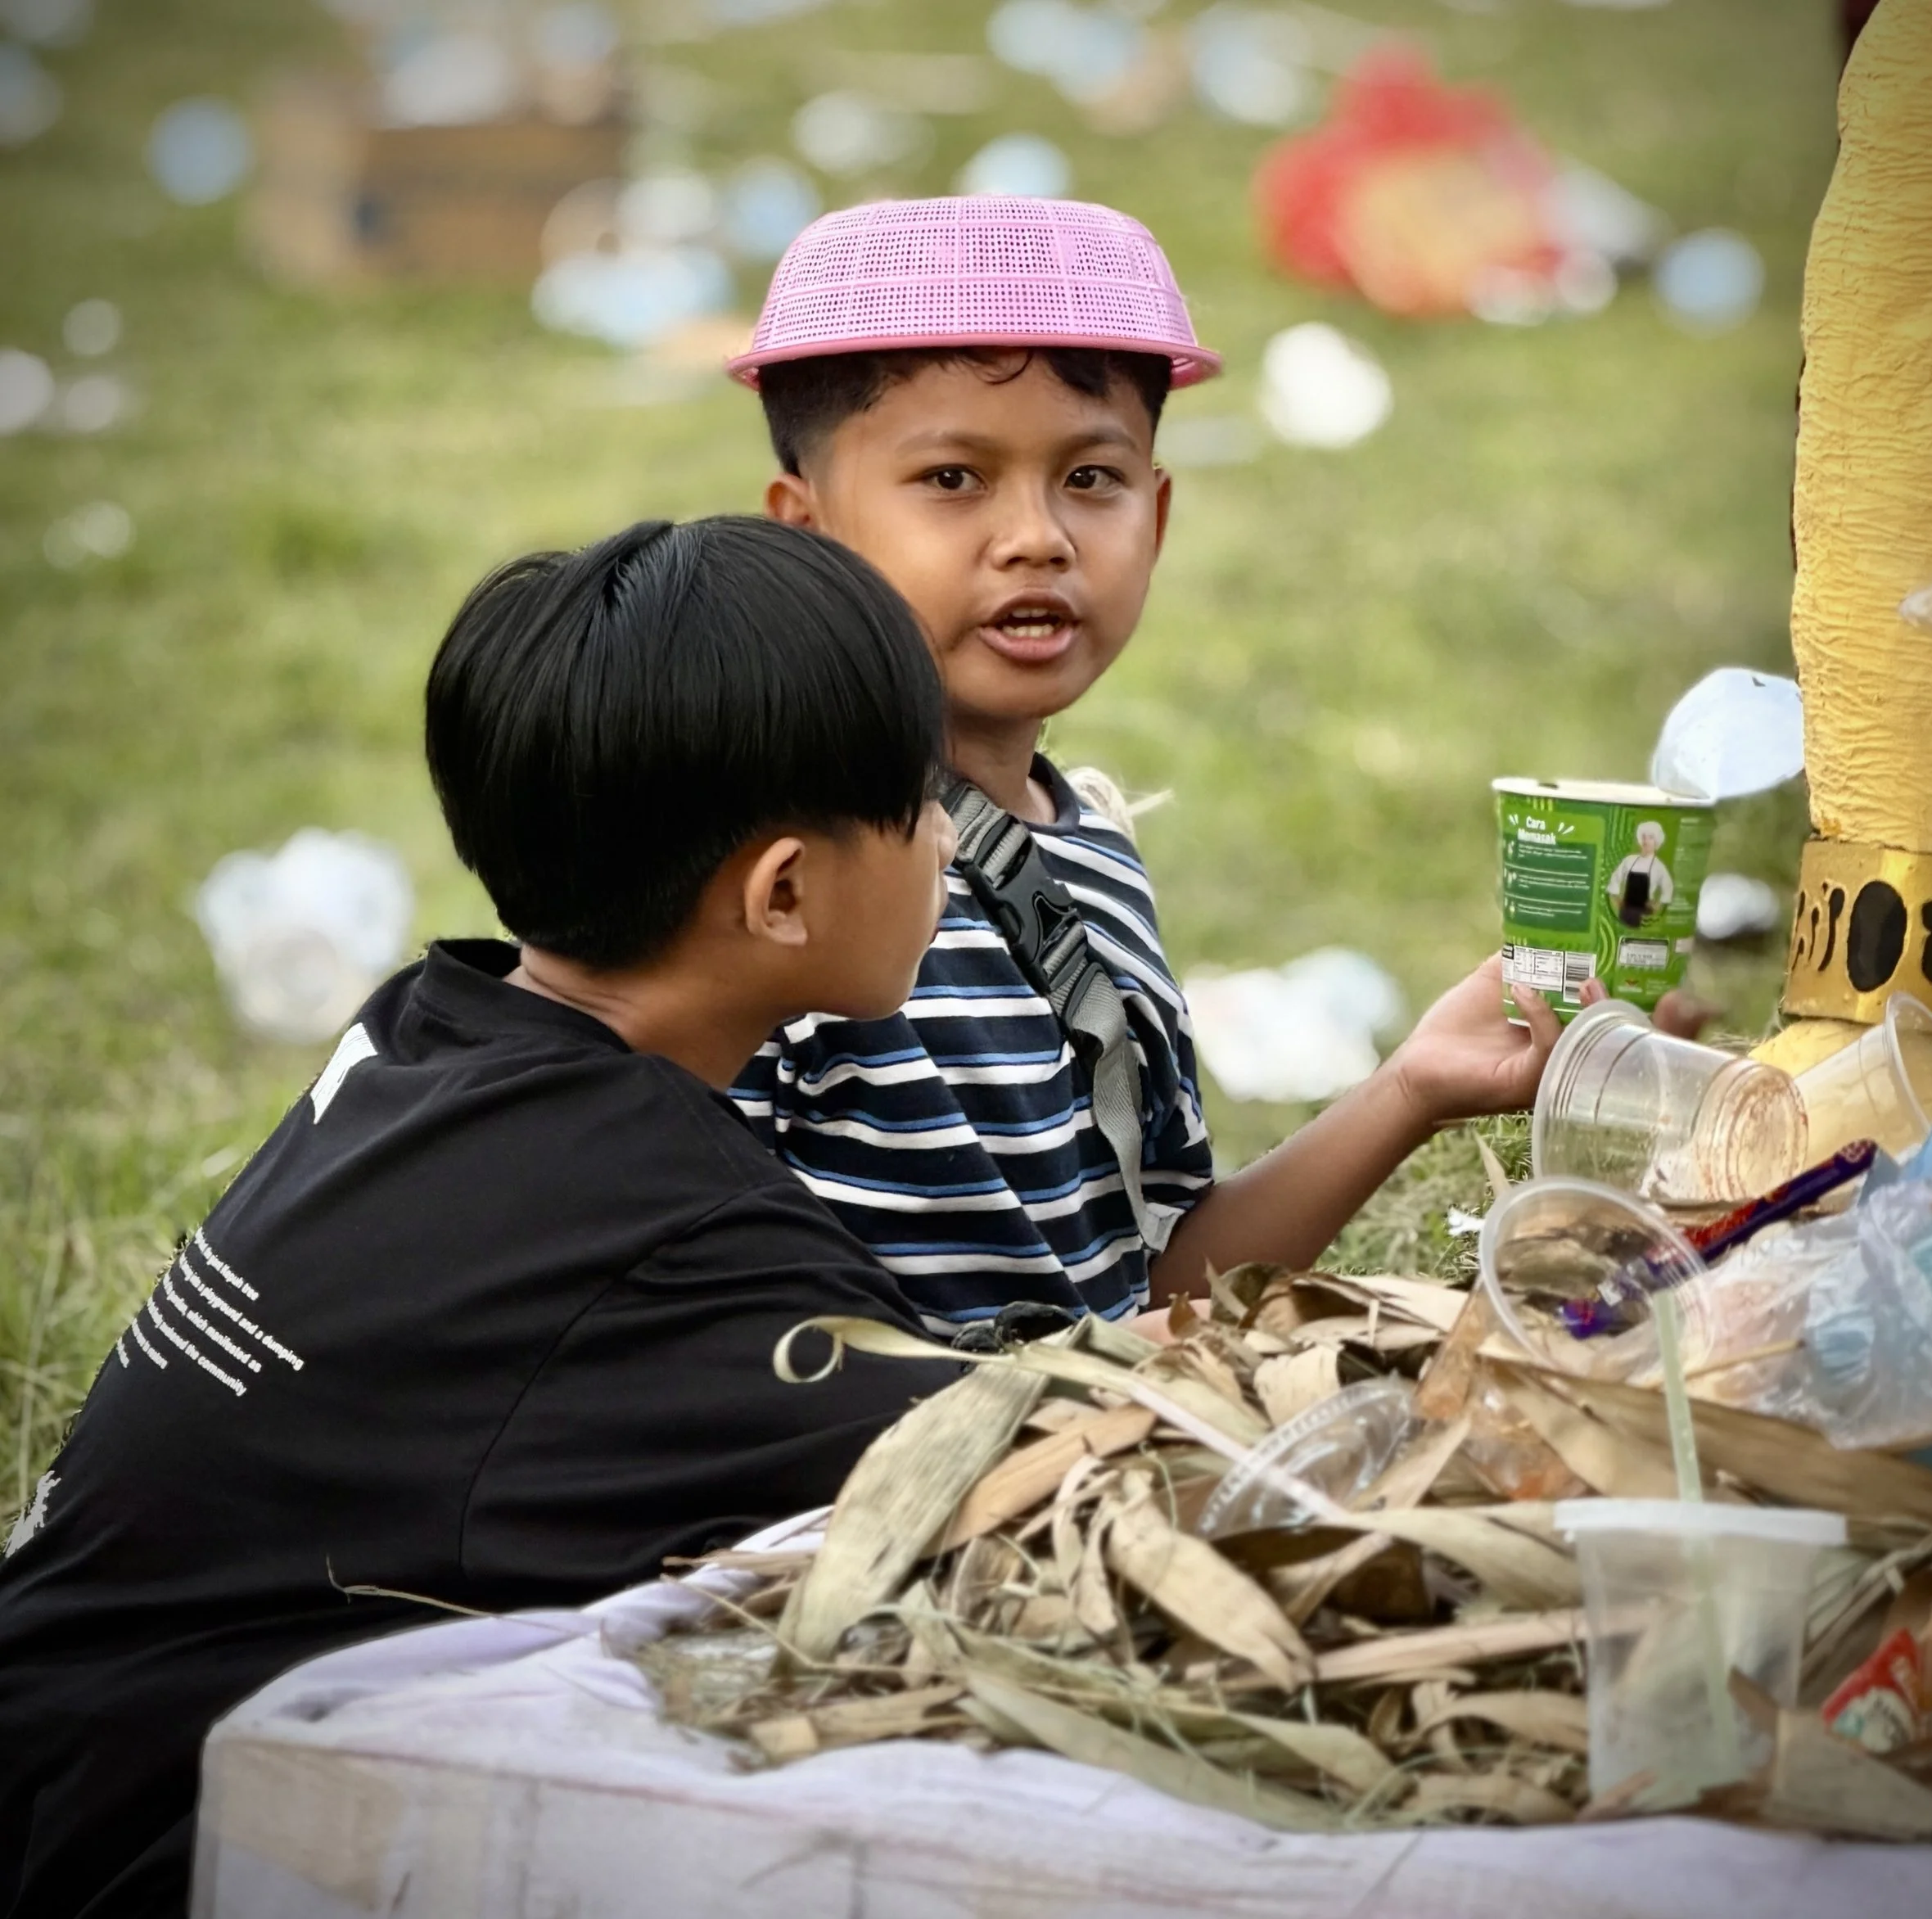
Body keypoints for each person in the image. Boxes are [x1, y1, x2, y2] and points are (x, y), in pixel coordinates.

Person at [0, 517, 965, 1917]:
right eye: (922, 798)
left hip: (56, 1749)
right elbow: (1023, 1458)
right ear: (785, 891)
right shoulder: (661, 1221)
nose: (947, 832)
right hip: (159, 1846)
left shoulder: (429, 1031)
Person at [726, 195, 1569, 1333]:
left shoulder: (1092, 863)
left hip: (1064, 1478)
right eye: (953, 479)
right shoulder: (753, 858)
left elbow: (1156, 1298)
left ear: (1157, 519)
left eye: (1090, 479)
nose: (1038, 536)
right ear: (804, 532)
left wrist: (1413, 1089)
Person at [1606, 820, 1676, 928]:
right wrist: (1617, 900)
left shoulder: (1658, 866)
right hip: (1625, 911)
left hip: (1645, 915)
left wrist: (1657, 905)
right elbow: (1615, 878)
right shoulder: (1629, 860)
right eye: (1644, 837)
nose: (1646, 841)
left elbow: (1668, 887)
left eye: (1650, 837)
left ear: (1656, 842)